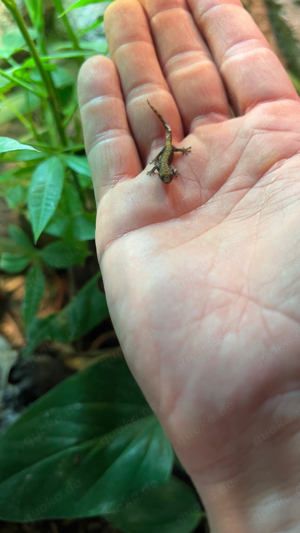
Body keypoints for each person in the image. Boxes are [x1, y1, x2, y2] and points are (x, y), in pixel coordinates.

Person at [78, 0, 300, 530]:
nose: (169, 172)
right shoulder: (161, 168)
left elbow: (170, 157)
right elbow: (162, 163)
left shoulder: (172, 159)